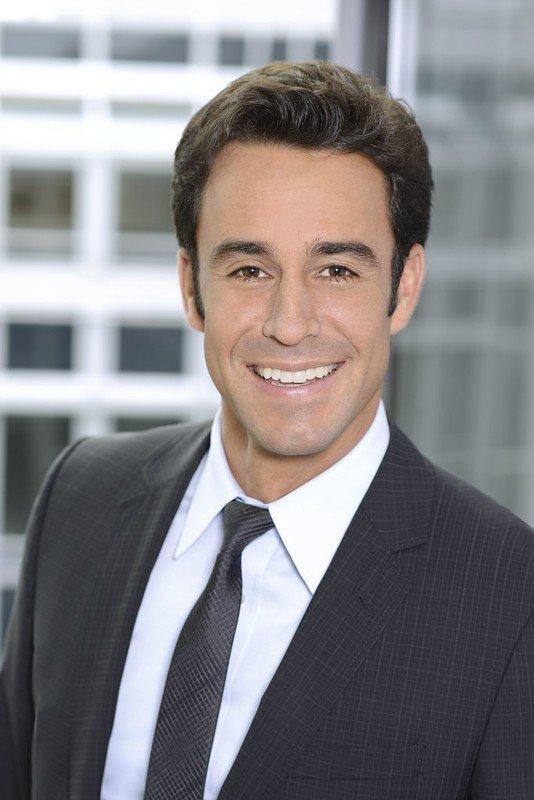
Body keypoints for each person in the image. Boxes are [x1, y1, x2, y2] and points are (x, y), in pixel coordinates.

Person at [1, 61, 533, 800]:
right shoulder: (81, 497)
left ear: (404, 286)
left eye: (337, 270)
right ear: (192, 287)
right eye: (249, 269)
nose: (289, 324)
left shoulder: (508, 593)